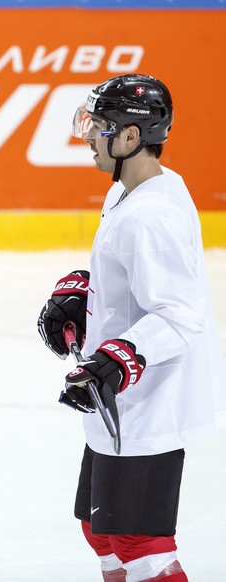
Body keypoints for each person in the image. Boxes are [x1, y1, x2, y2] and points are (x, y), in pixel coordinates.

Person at [38, 74, 226, 582]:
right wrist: (85, 289)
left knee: (139, 543)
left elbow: (178, 313)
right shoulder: (133, 193)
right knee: (99, 531)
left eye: (100, 126)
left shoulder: (152, 217)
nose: (90, 136)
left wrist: (122, 357)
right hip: (120, 402)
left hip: (150, 402)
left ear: (130, 137)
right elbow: (130, 272)